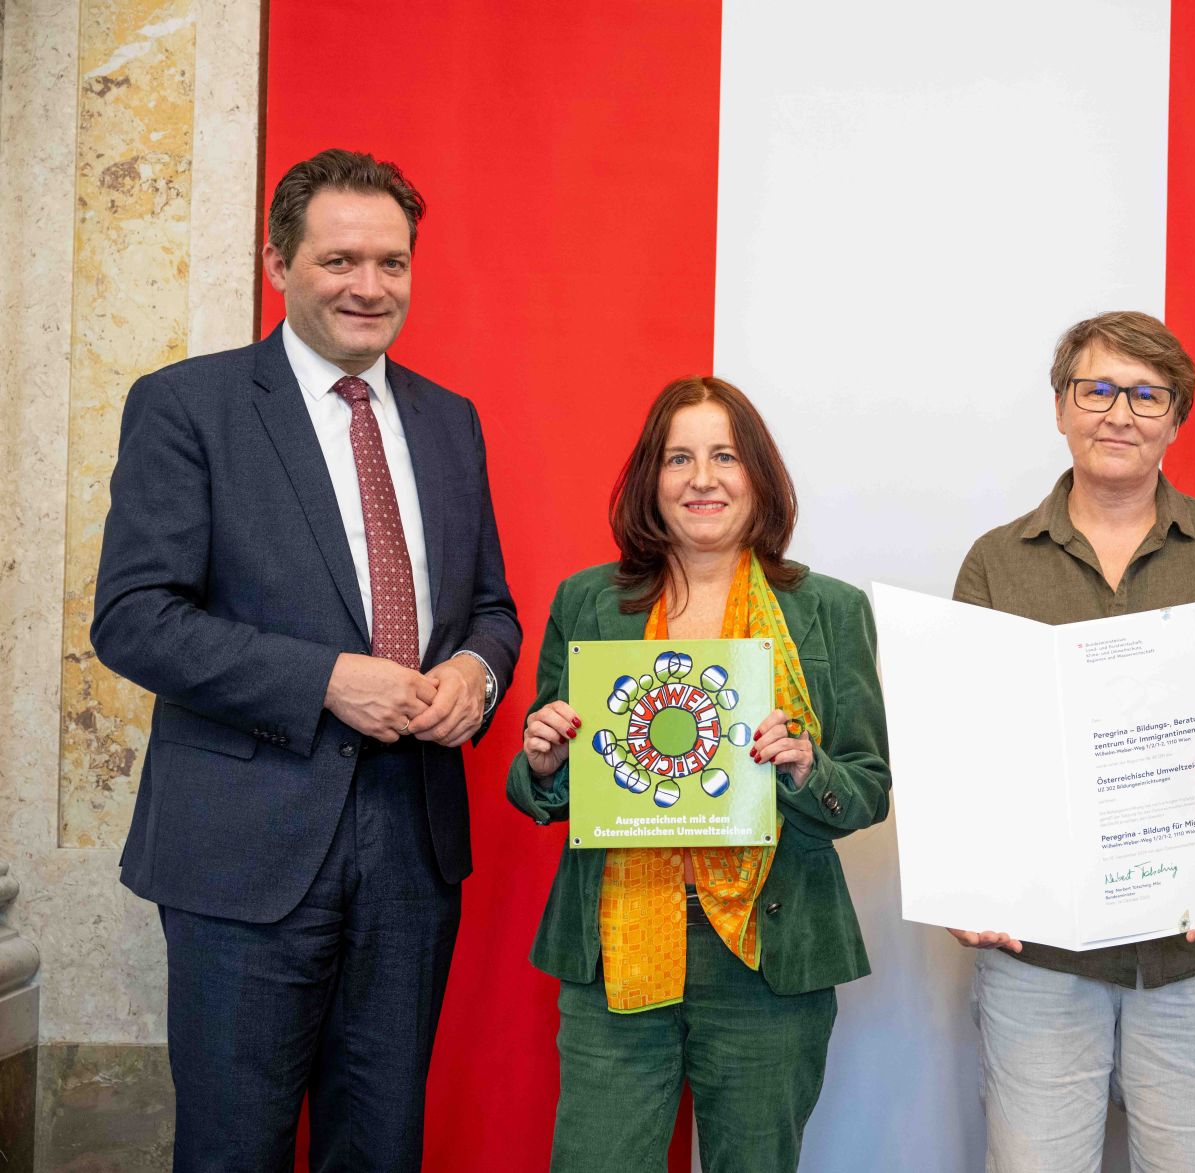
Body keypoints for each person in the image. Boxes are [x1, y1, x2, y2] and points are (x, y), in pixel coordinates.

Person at [90, 149, 520, 1171]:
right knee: (235, 1149)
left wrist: (478, 675)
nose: (369, 287)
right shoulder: (188, 406)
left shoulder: (449, 421)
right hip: (244, 856)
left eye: (391, 262)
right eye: (338, 260)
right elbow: (134, 617)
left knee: (378, 1148)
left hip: (412, 852)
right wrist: (324, 679)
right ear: (277, 261)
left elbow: (492, 607)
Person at [948, 311, 1195, 1173]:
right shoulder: (997, 562)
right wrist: (970, 878)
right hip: (1041, 958)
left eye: (1147, 395)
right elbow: (965, 745)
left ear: (1176, 419)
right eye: (1098, 389)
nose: (1120, 413)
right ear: (1062, 407)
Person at [507, 376, 890, 1173]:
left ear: (759, 475)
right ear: (652, 478)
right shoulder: (589, 602)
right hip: (617, 943)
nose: (703, 477)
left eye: (725, 455)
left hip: (767, 951)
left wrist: (805, 762)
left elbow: (866, 787)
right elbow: (547, 778)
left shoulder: (828, 609)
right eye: (680, 457)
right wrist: (543, 760)